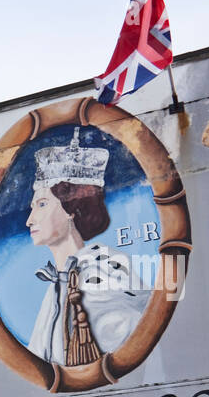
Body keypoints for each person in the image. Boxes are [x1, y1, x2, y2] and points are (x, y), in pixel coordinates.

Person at [24, 129, 149, 366]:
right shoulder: (56, 285)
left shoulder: (103, 268)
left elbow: (131, 327)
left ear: (72, 209)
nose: (30, 220)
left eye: (41, 204)